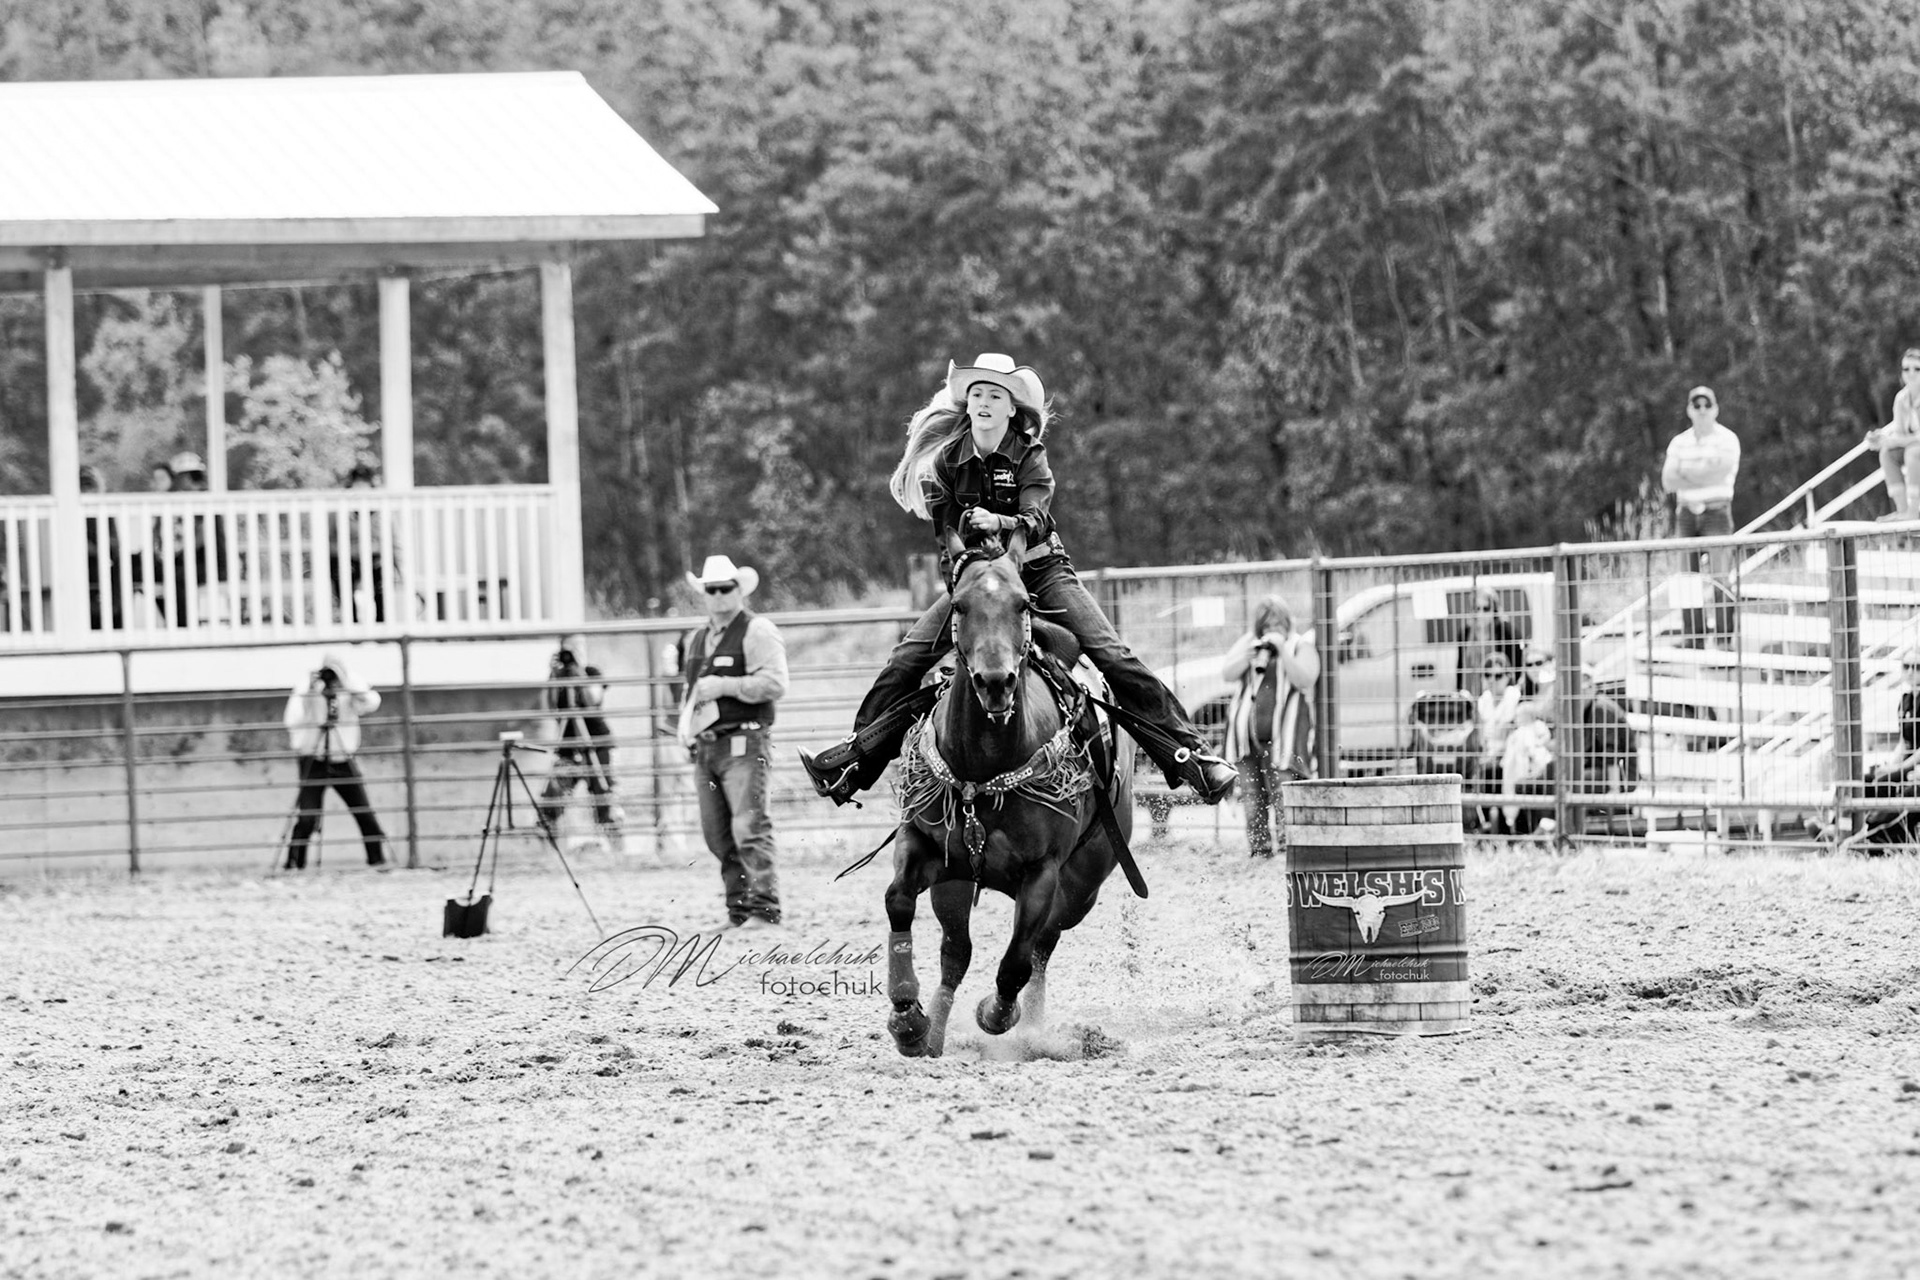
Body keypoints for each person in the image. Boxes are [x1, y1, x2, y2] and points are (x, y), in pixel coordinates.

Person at [798, 353, 1237, 806]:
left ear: (1012, 409)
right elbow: (947, 539)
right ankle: (853, 764)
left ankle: (1192, 757)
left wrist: (1000, 524)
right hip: (976, 582)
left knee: (1112, 654)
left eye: (995, 395)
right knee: (905, 660)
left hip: (1042, 571)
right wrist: (967, 580)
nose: (984, 402)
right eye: (977, 394)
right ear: (967, 405)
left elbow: (1037, 519)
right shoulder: (947, 463)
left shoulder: (1031, 455)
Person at [679, 555, 788, 928]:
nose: (719, 595)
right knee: (718, 834)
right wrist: (685, 730)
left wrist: (725, 686)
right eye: (712, 589)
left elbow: (776, 683)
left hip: (745, 741)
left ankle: (763, 908)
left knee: (748, 826)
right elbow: (690, 693)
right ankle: (739, 909)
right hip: (707, 745)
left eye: (726, 588)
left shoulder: (757, 631)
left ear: (738, 590)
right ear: (704, 594)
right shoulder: (696, 638)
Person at [1221, 596, 1318, 857]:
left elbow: (1305, 679)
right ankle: (1259, 850)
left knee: (1283, 793)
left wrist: (1282, 650)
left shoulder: (1300, 645)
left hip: (1284, 737)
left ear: (1287, 623)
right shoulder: (1251, 643)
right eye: (1266, 625)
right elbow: (1227, 673)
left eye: (1277, 624)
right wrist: (1248, 655)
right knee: (1252, 794)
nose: (1272, 630)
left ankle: (1290, 850)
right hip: (1246, 737)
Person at [282, 650, 388, 869]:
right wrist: (312, 692)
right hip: (314, 758)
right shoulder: (306, 686)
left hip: (342, 757)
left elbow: (371, 702)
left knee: (363, 811)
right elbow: (293, 719)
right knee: (307, 817)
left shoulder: (351, 683)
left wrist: (346, 684)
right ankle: (295, 864)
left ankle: (378, 860)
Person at [1660, 386, 1740, 645]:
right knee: (1687, 579)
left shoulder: (1727, 439)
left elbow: (1720, 473)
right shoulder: (1679, 442)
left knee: (1720, 576)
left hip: (1717, 511)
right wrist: (1703, 472)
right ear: (1689, 410)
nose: (1702, 410)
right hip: (1686, 514)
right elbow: (1668, 480)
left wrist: (1686, 475)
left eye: (1707, 405)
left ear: (1715, 408)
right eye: (1697, 405)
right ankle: (1693, 637)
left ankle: (1724, 638)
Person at [538, 633, 626, 844]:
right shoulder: (557, 677)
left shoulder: (592, 672)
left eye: (577, 648)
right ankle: (551, 846)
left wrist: (579, 673)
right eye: (567, 649)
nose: (571, 654)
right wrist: (553, 675)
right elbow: (551, 710)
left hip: (597, 744)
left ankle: (615, 846)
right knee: (552, 800)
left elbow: (592, 701)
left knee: (605, 799)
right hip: (569, 747)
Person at [1867, 349, 1920, 522]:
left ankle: (1914, 510)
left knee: (1913, 451)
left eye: (1917, 369)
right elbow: (1898, 431)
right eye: (1906, 369)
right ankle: (1903, 510)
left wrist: (1897, 441)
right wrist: (1880, 438)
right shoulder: (1901, 399)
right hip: (1913, 448)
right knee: (1887, 453)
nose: (1911, 373)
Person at [1473, 654, 1523, 832]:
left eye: (1498, 675)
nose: (1492, 680)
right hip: (1488, 755)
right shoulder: (1483, 700)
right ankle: (1484, 824)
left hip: (1509, 754)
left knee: (1493, 773)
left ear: (1508, 676)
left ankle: (1502, 828)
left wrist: (1493, 754)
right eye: (1487, 675)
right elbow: (1480, 735)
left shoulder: (1514, 697)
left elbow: (1510, 733)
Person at [1457, 587, 1521, 697]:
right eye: (1476, 608)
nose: (1480, 613)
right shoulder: (1466, 633)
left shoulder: (1506, 632)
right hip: (1470, 692)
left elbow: (1517, 665)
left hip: (1497, 694)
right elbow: (1460, 666)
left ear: (1494, 610)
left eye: (1486, 608)